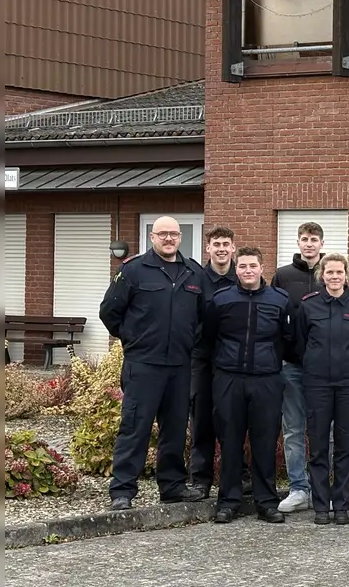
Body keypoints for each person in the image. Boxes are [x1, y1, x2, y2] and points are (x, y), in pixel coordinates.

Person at [98, 216, 208, 511]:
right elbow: (109, 312)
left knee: (174, 428)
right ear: (152, 237)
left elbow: (204, 316)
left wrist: (189, 343)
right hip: (143, 364)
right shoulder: (133, 270)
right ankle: (122, 490)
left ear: (180, 237)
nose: (169, 238)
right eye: (163, 234)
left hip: (179, 366)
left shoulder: (193, 272)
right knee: (135, 426)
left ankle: (172, 486)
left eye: (174, 234)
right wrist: (133, 340)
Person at [201, 246, 294, 523]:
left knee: (264, 441)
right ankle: (228, 502)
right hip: (229, 379)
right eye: (242, 266)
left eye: (252, 265)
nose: (247, 271)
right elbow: (208, 337)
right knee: (230, 441)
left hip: (266, 380)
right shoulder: (221, 299)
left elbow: (288, 338)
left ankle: (266, 502)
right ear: (235, 269)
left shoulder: (279, 300)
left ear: (262, 267)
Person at [290, 253, 349, 526]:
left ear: (347, 275)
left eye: (339, 272)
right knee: (319, 446)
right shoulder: (309, 306)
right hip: (317, 384)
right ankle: (321, 506)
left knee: (347, 446)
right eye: (330, 272)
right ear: (322, 275)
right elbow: (300, 343)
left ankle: (342, 505)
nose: (335, 277)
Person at [269, 221, 326, 515]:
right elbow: (272, 315)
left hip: (322, 370)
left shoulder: (330, 273)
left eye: (314, 239)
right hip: (290, 365)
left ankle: (321, 489)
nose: (309, 244)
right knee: (293, 429)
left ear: (321, 243)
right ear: (298, 242)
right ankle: (298, 488)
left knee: (321, 429)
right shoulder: (283, 276)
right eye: (304, 238)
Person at [188, 225, 238, 497]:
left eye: (225, 244)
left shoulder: (241, 278)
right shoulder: (196, 279)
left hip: (232, 362)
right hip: (202, 360)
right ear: (208, 248)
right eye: (216, 244)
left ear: (233, 248)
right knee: (202, 420)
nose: (221, 249)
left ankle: (236, 478)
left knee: (233, 420)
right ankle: (201, 480)